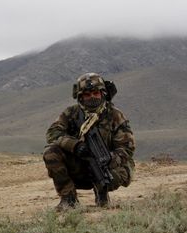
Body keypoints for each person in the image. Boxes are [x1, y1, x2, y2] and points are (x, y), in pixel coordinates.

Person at [43, 73, 135, 210]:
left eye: (95, 93)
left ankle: (102, 195)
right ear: (80, 97)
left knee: (108, 178)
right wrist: (75, 146)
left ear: (102, 93)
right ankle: (69, 200)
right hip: (80, 164)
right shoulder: (71, 113)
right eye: (87, 94)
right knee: (51, 152)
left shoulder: (115, 115)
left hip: (110, 167)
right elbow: (53, 133)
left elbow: (127, 147)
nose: (92, 97)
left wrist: (111, 159)